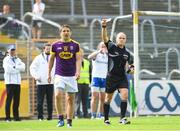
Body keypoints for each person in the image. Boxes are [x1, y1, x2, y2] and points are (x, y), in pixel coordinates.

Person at [101, 19, 134, 125]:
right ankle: (106, 119)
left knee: (125, 95)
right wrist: (104, 27)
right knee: (108, 98)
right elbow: (104, 38)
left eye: (123, 38)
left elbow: (129, 65)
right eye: (120, 38)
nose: (122, 39)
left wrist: (131, 70)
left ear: (126, 40)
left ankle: (122, 118)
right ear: (116, 39)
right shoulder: (111, 47)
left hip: (122, 77)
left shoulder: (127, 53)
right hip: (111, 77)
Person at [48, 24, 81, 127]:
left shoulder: (76, 45)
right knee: (57, 95)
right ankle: (60, 119)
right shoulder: (55, 45)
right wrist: (49, 73)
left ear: (70, 32)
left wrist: (78, 72)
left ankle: (69, 121)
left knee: (70, 99)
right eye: (64, 31)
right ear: (60, 33)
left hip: (71, 76)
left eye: (67, 31)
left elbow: (79, 59)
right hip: (59, 75)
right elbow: (51, 59)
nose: (66, 32)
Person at [30, 43, 54, 121]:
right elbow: (32, 68)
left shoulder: (54, 57)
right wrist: (36, 76)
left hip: (50, 82)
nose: (48, 50)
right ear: (44, 49)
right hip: (40, 83)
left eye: (49, 48)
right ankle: (40, 117)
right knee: (40, 101)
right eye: (47, 48)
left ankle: (50, 117)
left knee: (50, 101)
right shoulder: (38, 58)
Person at [3, 47, 25, 121]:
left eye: (14, 50)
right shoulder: (6, 59)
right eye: (11, 51)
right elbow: (9, 70)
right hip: (9, 82)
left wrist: (15, 67)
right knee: (9, 100)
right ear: (8, 51)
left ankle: (16, 117)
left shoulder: (18, 59)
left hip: (17, 82)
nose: (13, 52)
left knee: (16, 100)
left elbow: (23, 67)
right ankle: (7, 117)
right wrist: (18, 69)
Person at [88, 42, 108, 119]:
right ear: (99, 47)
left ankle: (101, 114)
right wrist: (99, 51)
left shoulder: (107, 56)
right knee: (94, 97)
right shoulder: (96, 55)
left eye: (105, 46)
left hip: (104, 78)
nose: (103, 47)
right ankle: (93, 114)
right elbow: (89, 57)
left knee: (103, 98)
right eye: (102, 46)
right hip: (96, 78)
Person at [75, 49, 90, 118]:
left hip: (86, 83)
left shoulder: (87, 62)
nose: (81, 54)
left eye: (82, 53)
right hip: (78, 83)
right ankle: (77, 114)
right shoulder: (75, 62)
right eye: (79, 53)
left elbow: (90, 72)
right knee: (78, 99)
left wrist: (90, 82)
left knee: (85, 100)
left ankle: (85, 114)